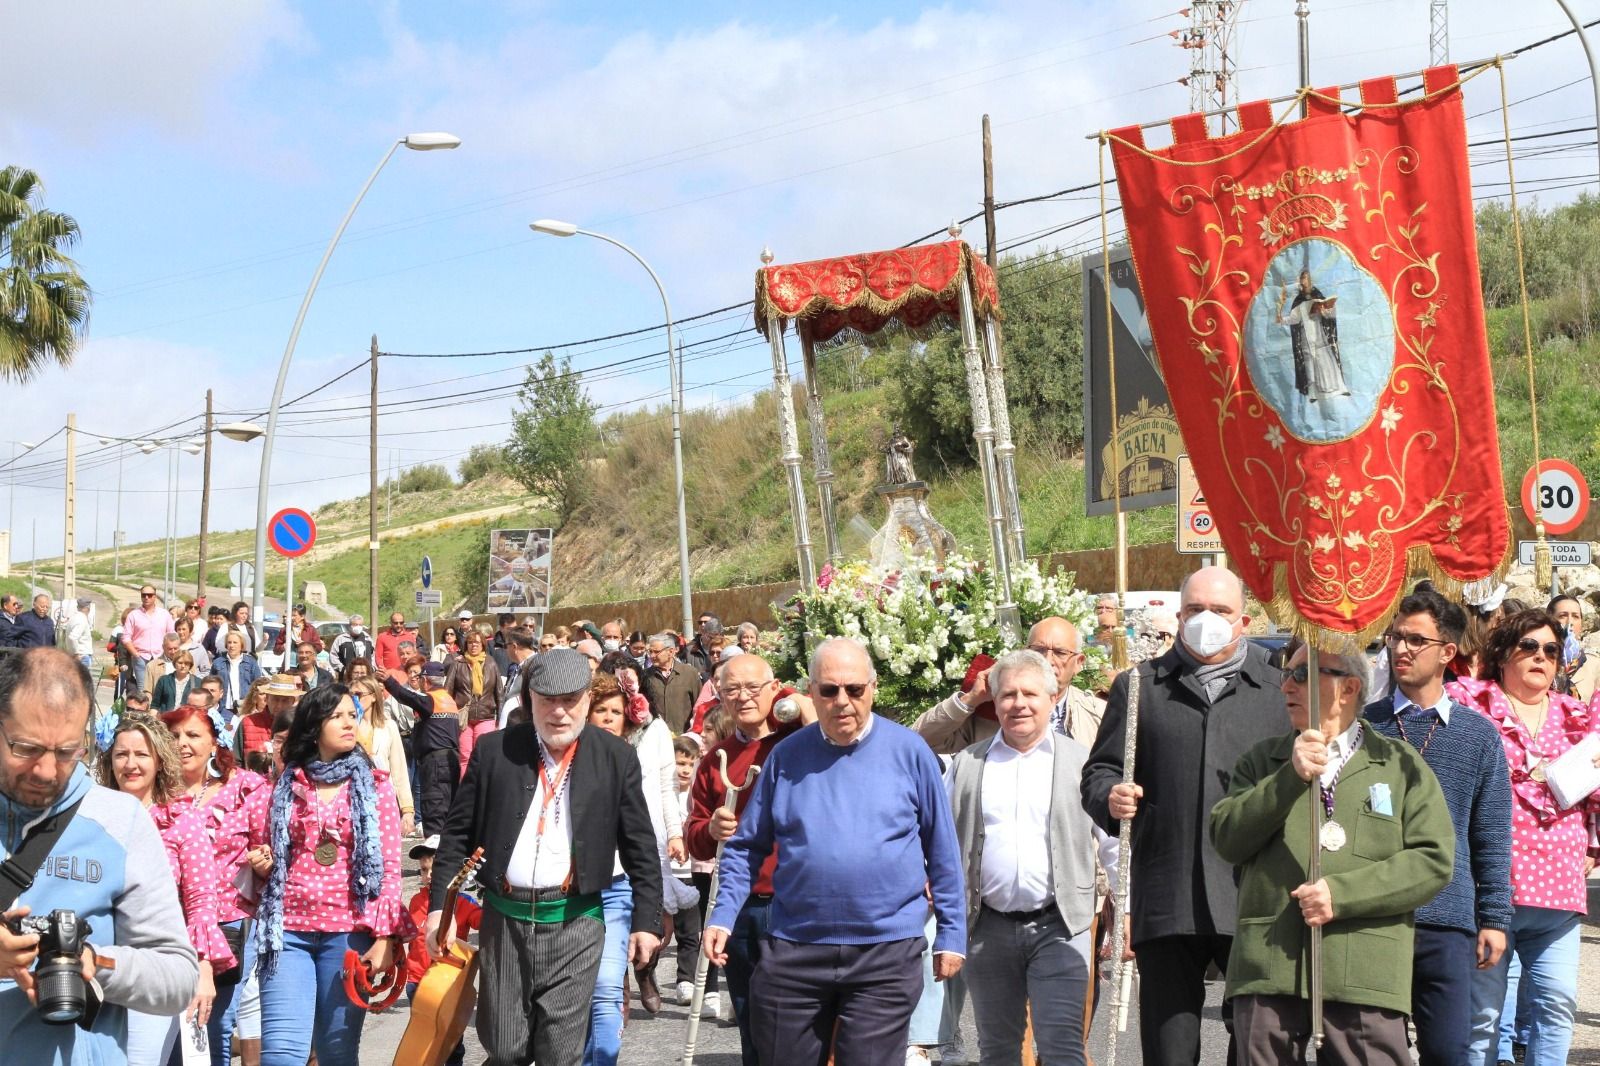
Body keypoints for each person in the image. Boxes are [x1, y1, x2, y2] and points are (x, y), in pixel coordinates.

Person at [705, 638, 966, 1066]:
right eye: (828, 690)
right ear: (810, 692)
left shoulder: (910, 752)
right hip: (795, 946)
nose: (842, 701)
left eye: (854, 689)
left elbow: (942, 849)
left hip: (884, 950)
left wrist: (952, 934)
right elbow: (746, 846)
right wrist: (723, 912)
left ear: (873, 688)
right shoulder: (786, 757)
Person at [1081, 565, 1289, 1066]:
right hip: (1167, 890)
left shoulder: (1280, 689)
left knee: (1257, 1046)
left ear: (1244, 621)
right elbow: (1099, 771)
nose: (1207, 620)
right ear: (1178, 616)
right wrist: (1111, 796)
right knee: (1169, 1049)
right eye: (1196, 610)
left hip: (1254, 895)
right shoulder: (1140, 687)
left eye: (1220, 611)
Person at [1210, 643, 1455, 1064]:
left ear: (1349, 688)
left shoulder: (1398, 764)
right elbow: (1228, 838)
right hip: (1270, 964)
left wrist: (1341, 895)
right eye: (1288, 673)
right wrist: (1289, 777)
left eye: (1304, 674)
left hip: (1363, 966)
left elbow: (1432, 860)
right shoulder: (1262, 760)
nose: (1287, 684)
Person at [428, 647, 663, 1066]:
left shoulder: (616, 758)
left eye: (570, 700)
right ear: (528, 700)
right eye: (547, 700)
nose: (559, 712)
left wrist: (646, 922)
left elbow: (640, 848)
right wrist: (437, 914)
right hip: (504, 919)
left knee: (560, 1050)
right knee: (505, 1046)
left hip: (576, 919)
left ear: (588, 699)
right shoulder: (494, 751)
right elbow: (457, 835)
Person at [0, 648, 198, 1063]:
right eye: (26, 748)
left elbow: (178, 976)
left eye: (67, 752)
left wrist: (93, 960)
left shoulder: (120, 821)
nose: (46, 771)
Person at [1362, 586, 1513, 1066]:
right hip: (1373, 916)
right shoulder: (1364, 726)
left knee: (1448, 1052)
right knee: (1367, 1053)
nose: (1401, 649)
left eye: (1415, 640)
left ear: (1448, 651)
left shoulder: (1478, 735)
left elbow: (1490, 834)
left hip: (1448, 921)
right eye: (1395, 637)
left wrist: (1494, 918)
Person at [945, 649, 1117, 1066]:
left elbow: (1112, 843)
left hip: (1062, 925)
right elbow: (943, 842)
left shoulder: (1082, 763)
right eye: (1007, 695)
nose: (1018, 704)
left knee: (1061, 1047)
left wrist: (1124, 909)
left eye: (1029, 694)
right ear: (995, 701)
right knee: (999, 1051)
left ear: (1052, 698)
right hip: (988, 929)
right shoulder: (967, 764)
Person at [1447, 608, 1600, 1066]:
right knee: (1484, 1014)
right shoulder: (1471, 704)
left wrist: (1595, 845)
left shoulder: (1578, 718)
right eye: (1529, 646)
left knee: (1556, 1006)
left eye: (1551, 650)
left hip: (1559, 887)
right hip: (1491, 885)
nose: (1541, 657)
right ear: (1502, 652)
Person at [240, 684, 413, 1066]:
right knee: (281, 1054)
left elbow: (389, 867)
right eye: (337, 716)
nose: (349, 723)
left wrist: (385, 937)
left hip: (348, 933)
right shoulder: (287, 784)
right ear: (314, 725)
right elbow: (262, 844)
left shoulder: (377, 786)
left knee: (336, 1053)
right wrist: (261, 860)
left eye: (353, 714)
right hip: (288, 931)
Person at [684, 653, 811, 1061]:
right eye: (732, 689)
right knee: (751, 1018)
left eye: (754, 687)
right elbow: (694, 834)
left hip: (796, 903)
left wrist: (789, 700)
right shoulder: (715, 759)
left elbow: (816, 712)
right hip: (739, 905)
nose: (743, 697)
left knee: (801, 1019)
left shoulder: (801, 741)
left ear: (774, 689)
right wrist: (710, 829)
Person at [101, 715, 237, 1065]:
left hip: (155, 969)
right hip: (95, 964)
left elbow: (201, 900)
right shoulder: (92, 816)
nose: (130, 764)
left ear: (159, 760)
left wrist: (203, 970)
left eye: (141, 755)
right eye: (121, 754)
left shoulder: (183, 819)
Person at [161, 699, 273, 1066]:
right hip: (163, 923)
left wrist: (263, 862)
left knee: (213, 1025)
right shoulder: (155, 790)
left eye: (193, 735)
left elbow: (269, 851)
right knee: (165, 1026)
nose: (182, 743)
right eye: (174, 735)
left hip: (227, 922)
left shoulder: (245, 786)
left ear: (215, 743)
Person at [581, 670, 684, 1060]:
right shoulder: (563, 759)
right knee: (574, 996)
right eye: (599, 710)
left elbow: (646, 831)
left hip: (617, 885)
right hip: (569, 892)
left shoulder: (630, 761)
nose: (607, 717)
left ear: (628, 718)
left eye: (615, 711)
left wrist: (649, 917)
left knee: (607, 988)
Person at [913, 616, 1104, 754]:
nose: (1048, 660)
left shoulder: (1097, 714)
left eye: (1060, 653)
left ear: (1079, 662)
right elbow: (918, 741)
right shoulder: (992, 708)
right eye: (1039, 650)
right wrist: (969, 700)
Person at [402, 834, 480, 1066]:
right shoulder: (416, 901)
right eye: (423, 870)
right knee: (424, 1040)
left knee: (451, 1042)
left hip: (448, 983)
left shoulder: (464, 903)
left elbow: (484, 922)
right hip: (416, 981)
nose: (428, 875)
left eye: (434, 869)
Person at [379, 659, 458, 839]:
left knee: (434, 808)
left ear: (425, 680)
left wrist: (388, 680)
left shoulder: (430, 699)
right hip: (450, 759)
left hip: (435, 761)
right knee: (448, 808)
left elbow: (407, 697)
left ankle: (433, 859)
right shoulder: (448, 699)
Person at [347, 676, 416, 837]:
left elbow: (398, 769)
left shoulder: (388, 726)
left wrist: (407, 810)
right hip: (352, 798)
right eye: (351, 695)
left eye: (358, 694)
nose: (354, 699)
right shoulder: (347, 726)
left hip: (384, 799)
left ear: (373, 696)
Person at [1277, 267, 1349, 401]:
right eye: (1303, 278)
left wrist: (1324, 311)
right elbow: (1294, 319)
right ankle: (1312, 393)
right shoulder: (1299, 301)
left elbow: (1330, 316)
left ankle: (1338, 388)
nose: (1305, 280)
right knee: (1310, 363)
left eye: (1307, 278)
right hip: (1306, 336)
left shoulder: (1318, 297)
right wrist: (1281, 320)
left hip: (1320, 334)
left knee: (1327, 359)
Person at [446, 628, 503, 777]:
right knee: (465, 757)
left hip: (486, 716)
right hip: (464, 717)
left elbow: (499, 693)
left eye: (477, 642)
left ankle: (482, 791)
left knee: (483, 756)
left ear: (483, 644)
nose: (473, 645)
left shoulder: (491, 663)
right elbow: (447, 693)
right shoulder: (458, 664)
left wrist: (500, 719)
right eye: (470, 642)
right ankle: (466, 793)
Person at [642, 632, 699, 733]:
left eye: (656, 652)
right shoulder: (645, 676)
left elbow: (699, 706)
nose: (652, 655)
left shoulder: (689, 674)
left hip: (684, 737)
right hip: (656, 736)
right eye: (650, 651)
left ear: (671, 652)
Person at [125, 585, 176, 693]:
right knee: (143, 690)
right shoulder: (133, 615)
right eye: (144, 595)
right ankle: (144, 710)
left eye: (149, 595)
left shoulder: (164, 614)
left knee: (161, 688)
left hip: (160, 657)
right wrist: (135, 654)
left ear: (155, 597)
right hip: (141, 657)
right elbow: (126, 637)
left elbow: (171, 635)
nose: (146, 597)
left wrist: (170, 653)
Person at [1548, 594, 1597, 701]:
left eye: (1575, 616)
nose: (1569, 622)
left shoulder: (1595, 665)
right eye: (1562, 616)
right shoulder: (1540, 660)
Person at [211, 628, 263, 718]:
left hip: (245, 708)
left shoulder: (251, 662)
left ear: (241, 645)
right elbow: (211, 685)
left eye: (235, 642)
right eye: (229, 642)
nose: (231, 645)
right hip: (224, 708)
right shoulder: (218, 662)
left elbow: (258, 685)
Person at [497, 626, 537, 728]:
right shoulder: (519, 666)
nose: (505, 650)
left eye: (506, 646)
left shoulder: (536, 667)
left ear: (514, 647)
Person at [60, 596, 95, 671]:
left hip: (76, 655)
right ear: (87, 608)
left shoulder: (74, 617)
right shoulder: (81, 619)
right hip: (82, 656)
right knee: (84, 682)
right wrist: (76, 654)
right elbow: (72, 637)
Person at [685, 613, 722, 683]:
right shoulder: (689, 649)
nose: (703, 625)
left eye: (706, 622)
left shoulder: (725, 649)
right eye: (700, 622)